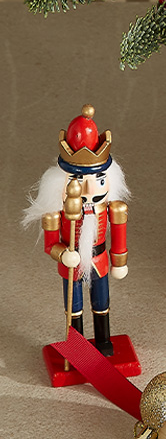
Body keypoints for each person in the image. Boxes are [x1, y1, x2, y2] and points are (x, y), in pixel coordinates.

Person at [23, 104, 130, 356]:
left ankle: (103, 340)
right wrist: (62, 253)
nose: (91, 190)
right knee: (74, 307)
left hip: (99, 258)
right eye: (80, 182)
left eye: (98, 180)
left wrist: (119, 261)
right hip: (71, 262)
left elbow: (119, 235)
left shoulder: (112, 208)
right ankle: (77, 347)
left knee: (101, 302)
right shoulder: (55, 213)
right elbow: (50, 244)